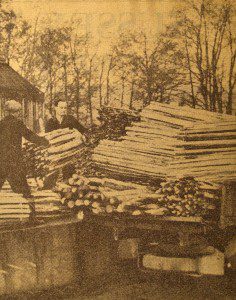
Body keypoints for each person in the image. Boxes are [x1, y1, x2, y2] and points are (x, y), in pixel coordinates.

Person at [0, 100, 49, 198]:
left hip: (2, 158)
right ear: (15, 112)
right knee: (24, 189)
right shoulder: (18, 123)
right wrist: (44, 142)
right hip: (15, 159)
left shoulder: (1, 123)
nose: (19, 113)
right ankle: (30, 207)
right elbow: (29, 135)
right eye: (19, 111)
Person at [45, 99, 87, 181]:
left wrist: (80, 136)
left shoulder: (70, 119)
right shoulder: (50, 122)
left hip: (68, 150)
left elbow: (82, 129)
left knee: (69, 171)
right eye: (61, 108)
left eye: (65, 108)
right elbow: (47, 137)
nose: (63, 110)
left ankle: (68, 184)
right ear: (55, 108)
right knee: (53, 170)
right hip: (55, 151)